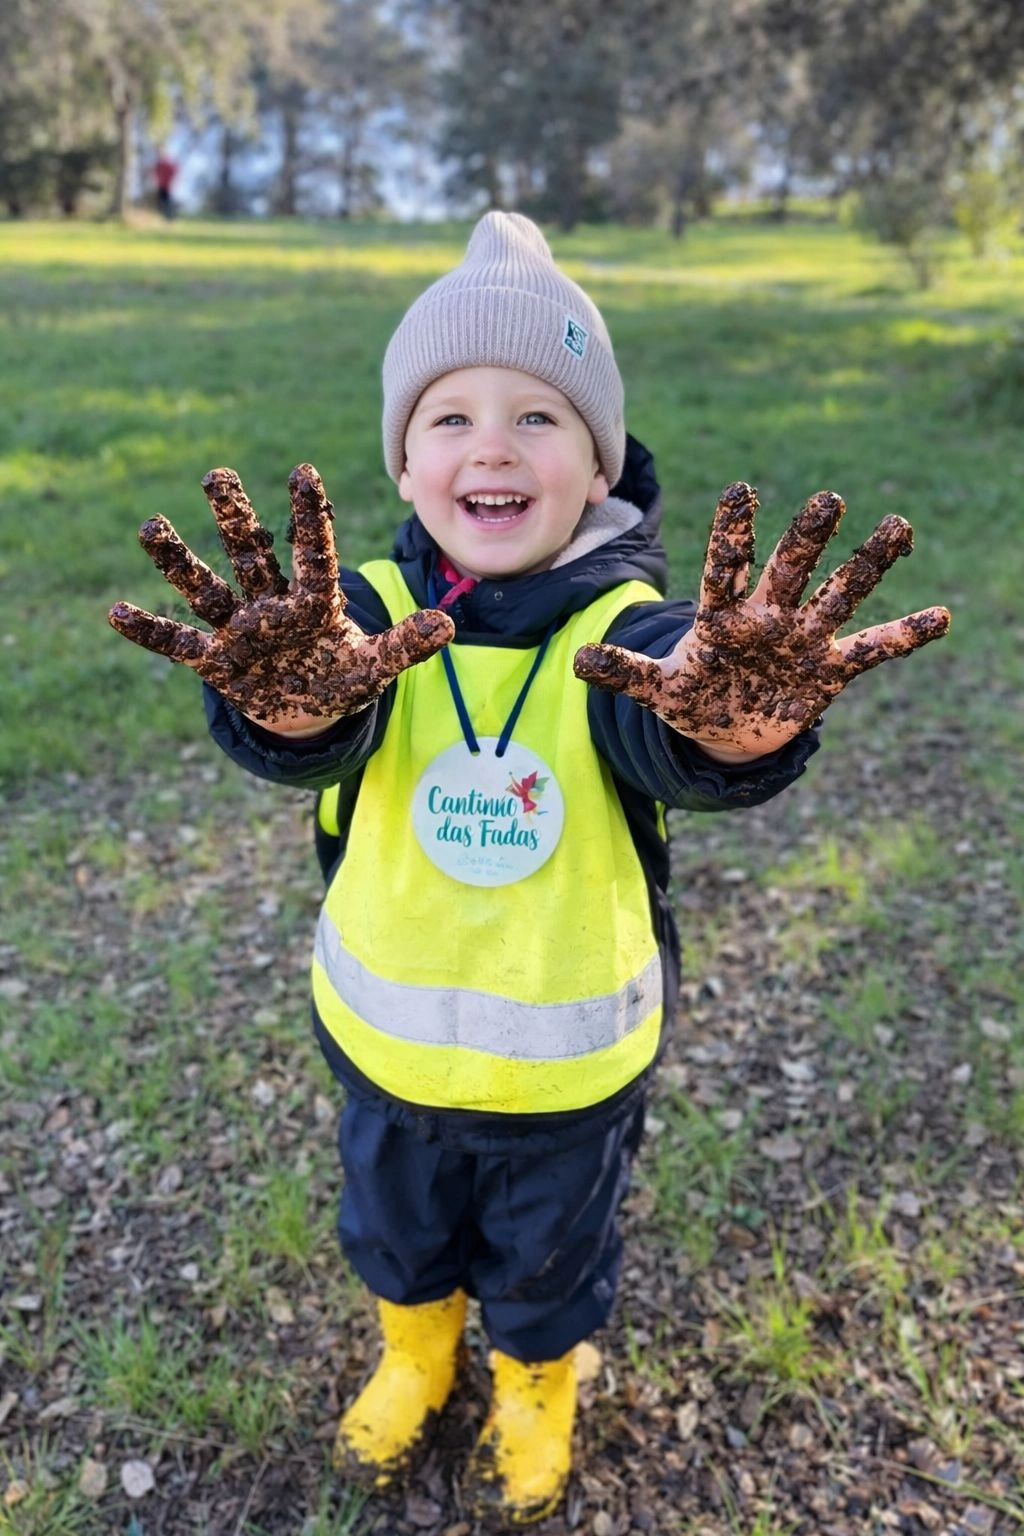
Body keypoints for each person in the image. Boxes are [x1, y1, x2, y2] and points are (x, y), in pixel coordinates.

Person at [109, 213, 949, 1526]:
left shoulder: (639, 632)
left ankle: (537, 1383)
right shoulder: (366, 616)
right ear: (406, 456)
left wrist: (732, 726)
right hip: (384, 1043)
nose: (492, 444)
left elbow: (671, 737)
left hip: (570, 1065)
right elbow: (320, 728)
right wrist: (286, 712)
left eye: (538, 419)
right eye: (449, 417)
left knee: (552, 1259)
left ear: (598, 466)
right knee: (393, 1230)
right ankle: (415, 1351)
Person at [154, 150, 178, 219]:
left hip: (167, 185)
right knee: (162, 201)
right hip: (162, 185)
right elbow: (156, 173)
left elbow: (174, 173)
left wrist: (172, 181)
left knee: (167, 201)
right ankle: (164, 216)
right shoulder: (159, 164)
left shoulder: (168, 164)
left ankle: (169, 216)